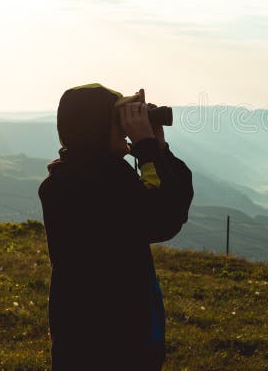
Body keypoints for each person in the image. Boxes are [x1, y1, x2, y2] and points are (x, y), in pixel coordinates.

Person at [38, 83, 194, 370]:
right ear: (94, 128)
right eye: (118, 120)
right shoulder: (80, 188)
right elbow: (165, 217)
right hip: (110, 346)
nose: (127, 128)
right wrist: (147, 148)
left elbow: (173, 202)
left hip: (100, 341)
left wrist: (158, 148)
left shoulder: (79, 178)